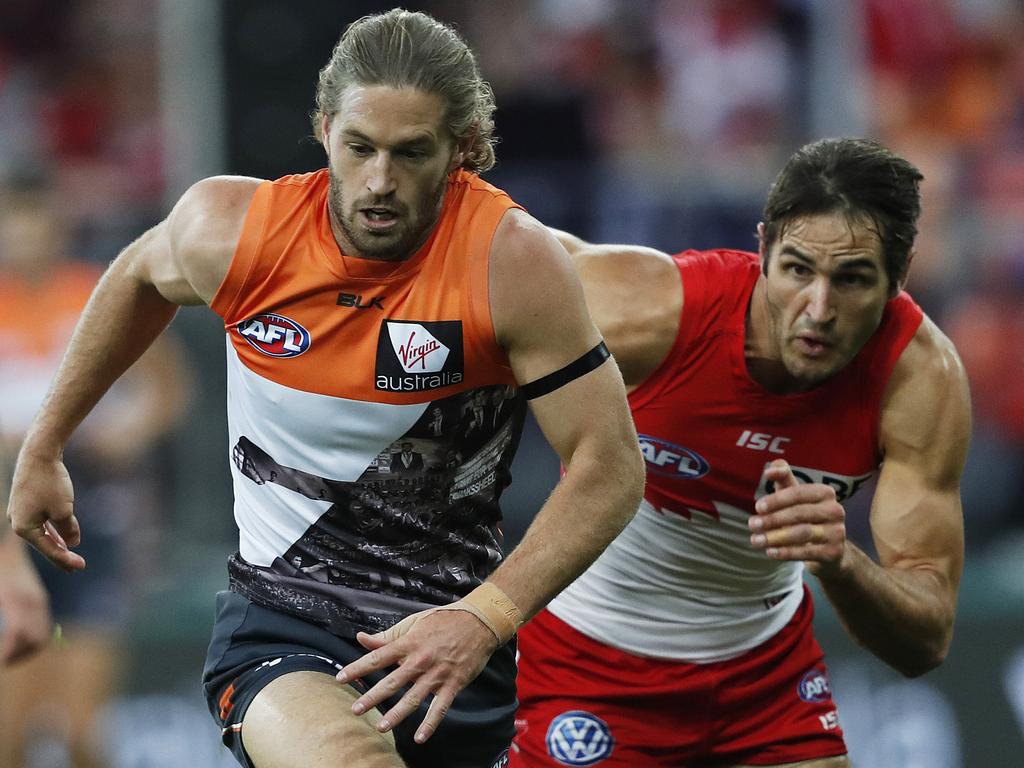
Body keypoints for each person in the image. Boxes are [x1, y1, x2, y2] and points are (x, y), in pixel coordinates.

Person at [8, 9, 644, 768]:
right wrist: (46, 444)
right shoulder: (235, 228)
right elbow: (139, 275)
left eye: (411, 153)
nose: (379, 181)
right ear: (324, 128)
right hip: (281, 628)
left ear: (464, 150)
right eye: (359, 147)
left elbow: (611, 467)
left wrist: (482, 619)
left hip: (452, 640)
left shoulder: (514, 264)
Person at [511, 137, 970, 768]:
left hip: (767, 682)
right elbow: (493, 258)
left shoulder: (919, 383)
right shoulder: (653, 312)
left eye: (853, 279)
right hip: (585, 659)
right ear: (762, 249)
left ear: (901, 274)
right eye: (798, 269)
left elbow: (928, 637)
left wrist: (841, 563)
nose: (819, 310)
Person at [0, 181, 188, 768]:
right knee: (13, 731)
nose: (24, 237)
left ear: (57, 228)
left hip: (88, 509)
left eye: (34, 222)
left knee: (80, 728)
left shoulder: (92, 295)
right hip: (7, 520)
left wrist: (123, 433)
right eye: (13, 223)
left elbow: (168, 387)